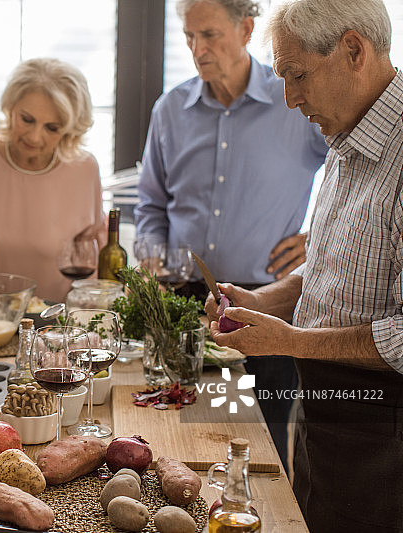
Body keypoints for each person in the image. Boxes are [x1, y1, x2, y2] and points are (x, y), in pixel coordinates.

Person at [209, 0, 402, 530]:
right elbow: (329, 263)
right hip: (323, 412)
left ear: (354, 50)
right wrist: (263, 300)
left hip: (384, 433)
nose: (289, 100)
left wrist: (291, 341)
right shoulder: (346, 134)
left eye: (297, 76)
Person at [134, 0, 329, 471]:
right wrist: (151, 256)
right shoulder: (170, 110)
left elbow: (351, 174)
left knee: (253, 450)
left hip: (270, 304)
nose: (197, 49)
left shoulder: (296, 102)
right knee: (175, 439)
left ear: (245, 29)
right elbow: (151, 206)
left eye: (210, 35)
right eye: (189, 37)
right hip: (183, 303)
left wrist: (319, 236)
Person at [0, 57, 106, 303]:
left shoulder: (84, 169)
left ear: (70, 130)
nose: (35, 137)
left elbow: (92, 258)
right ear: (10, 106)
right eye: (27, 119)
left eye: (52, 128)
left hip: (53, 325)